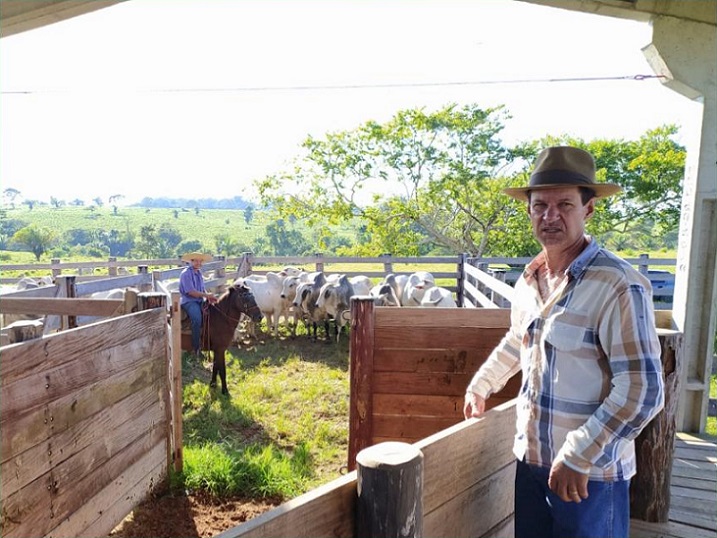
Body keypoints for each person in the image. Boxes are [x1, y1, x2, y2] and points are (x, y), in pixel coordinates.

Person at [463, 146, 664, 538]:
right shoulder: (529, 280)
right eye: (540, 206)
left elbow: (644, 390)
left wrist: (578, 454)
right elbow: (518, 341)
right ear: (528, 211)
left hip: (589, 475)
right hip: (532, 462)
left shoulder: (617, 284)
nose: (550, 216)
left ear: (588, 210)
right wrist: (481, 384)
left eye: (564, 205)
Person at [179, 251, 218, 357]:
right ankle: (195, 349)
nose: (198, 263)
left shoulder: (199, 273)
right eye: (196, 261)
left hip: (200, 300)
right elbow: (191, 292)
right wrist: (206, 296)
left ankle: (210, 343)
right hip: (189, 301)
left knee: (214, 313)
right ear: (191, 261)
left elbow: (202, 289)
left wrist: (208, 297)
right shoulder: (186, 274)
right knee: (197, 319)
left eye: (200, 261)